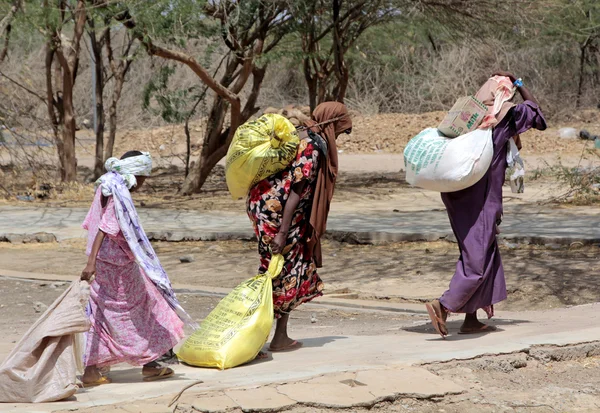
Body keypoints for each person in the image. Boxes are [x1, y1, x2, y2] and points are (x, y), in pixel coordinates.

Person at [426, 72, 547, 338]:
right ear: (504, 95)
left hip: (457, 197)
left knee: (481, 251)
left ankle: (471, 317)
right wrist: (521, 86)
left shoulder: (466, 118)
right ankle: (444, 306)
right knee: (478, 259)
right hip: (482, 200)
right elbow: (538, 116)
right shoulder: (506, 117)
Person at [80, 151, 195, 386]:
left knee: (101, 313)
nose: (143, 183)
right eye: (143, 177)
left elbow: (92, 223)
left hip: (107, 263)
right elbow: (105, 226)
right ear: (136, 174)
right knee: (147, 307)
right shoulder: (118, 192)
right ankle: (149, 363)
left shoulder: (107, 185)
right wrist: (90, 262)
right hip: (117, 265)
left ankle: (94, 369)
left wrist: (93, 261)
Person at [247, 102, 352, 352]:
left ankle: (272, 336)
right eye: (341, 130)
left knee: (281, 271)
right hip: (279, 214)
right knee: (282, 273)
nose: (340, 137)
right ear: (332, 123)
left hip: (265, 206)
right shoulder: (313, 145)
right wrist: (283, 233)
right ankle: (260, 339)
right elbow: (297, 187)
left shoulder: (300, 133)